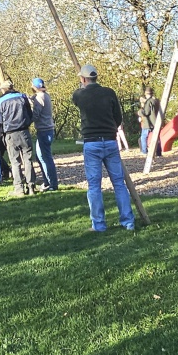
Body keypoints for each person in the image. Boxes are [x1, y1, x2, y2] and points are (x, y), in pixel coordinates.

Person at [72, 64, 135, 233]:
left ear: (83, 79)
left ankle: (99, 225)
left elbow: (77, 99)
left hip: (91, 142)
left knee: (94, 186)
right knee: (119, 183)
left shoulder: (79, 95)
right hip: (110, 141)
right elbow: (118, 117)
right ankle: (128, 222)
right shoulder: (109, 93)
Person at [0, 78, 36, 198]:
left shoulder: (0, 101)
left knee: (15, 162)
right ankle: (31, 186)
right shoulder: (22, 97)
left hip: (10, 133)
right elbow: (30, 113)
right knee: (28, 160)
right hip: (24, 131)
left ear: (3, 90)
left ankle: (19, 189)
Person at [31, 77, 58, 192]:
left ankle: (52, 183)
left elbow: (35, 115)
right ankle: (47, 181)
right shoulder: (45, 95)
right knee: (40, 156)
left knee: (45, 157)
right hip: (47, 130)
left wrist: (25, 119)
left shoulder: (39, 97)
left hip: (44, 130)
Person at [139, 87, 161, 156]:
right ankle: (158, 153)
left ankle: (144, 151)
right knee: (157, 137)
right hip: (155, 122)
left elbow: (146, 112)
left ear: (146, 93)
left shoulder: (149, 101)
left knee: (143, 137)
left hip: (148, 122)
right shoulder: (156, 100)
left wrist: (139, 111)